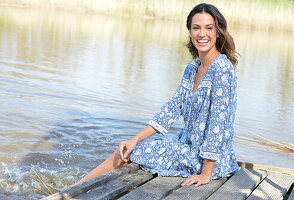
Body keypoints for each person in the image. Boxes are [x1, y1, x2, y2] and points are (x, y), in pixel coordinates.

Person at [70, 3, 239, 187]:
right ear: (190, 32)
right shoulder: (192, 69)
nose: (202, 34)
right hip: (188, 149)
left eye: (209, 28)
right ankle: (77, 187)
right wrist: (134, 139)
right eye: (196, 28)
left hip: (212, 162)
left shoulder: (222, 69)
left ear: (217, 32)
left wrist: (206, 173)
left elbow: (218, 124)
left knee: (127, 154)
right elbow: (170, 110)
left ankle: (74, 189)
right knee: (128, 148)